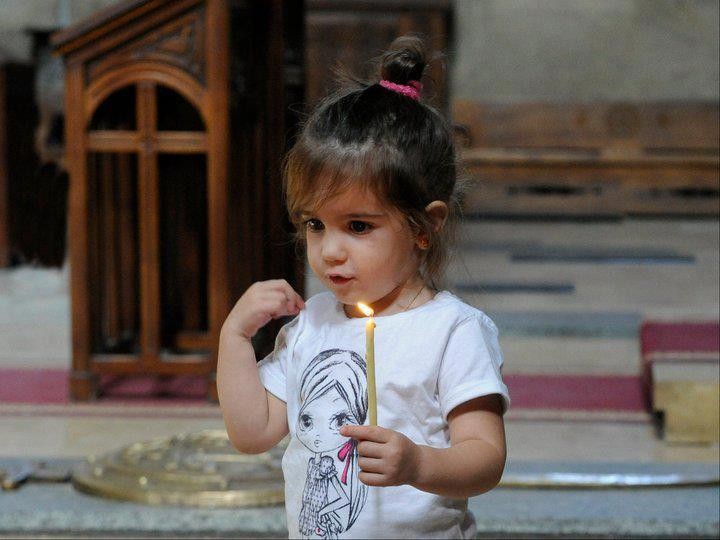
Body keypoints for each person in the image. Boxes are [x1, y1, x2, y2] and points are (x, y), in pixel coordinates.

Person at [217, 35, 510, 539]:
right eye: (315, 224)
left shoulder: (451, 332)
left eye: (358, 227)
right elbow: (253, 433)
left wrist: (419, 464)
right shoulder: (311, 325)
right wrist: (234, 340)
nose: (329, 250)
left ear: (424, 226)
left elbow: (485, 458)